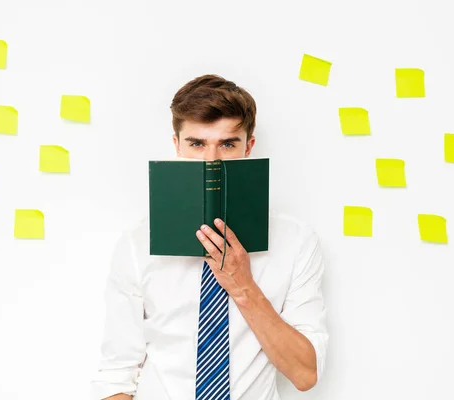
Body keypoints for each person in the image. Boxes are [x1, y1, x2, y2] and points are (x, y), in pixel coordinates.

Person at [91, 74, 329, 400]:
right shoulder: (137, 244)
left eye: (228, 144)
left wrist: (243, 287)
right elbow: (116, 376)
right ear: (176, 145)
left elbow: (304, 374)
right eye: (197, 144)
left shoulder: (296, 241)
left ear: (249, 147)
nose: (211, 160)